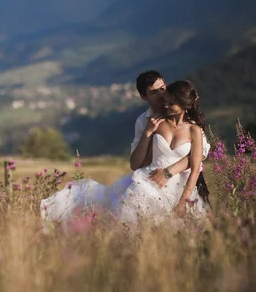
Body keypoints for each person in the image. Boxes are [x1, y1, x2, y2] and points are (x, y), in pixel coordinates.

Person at [40, 78, 211, 228]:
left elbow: (196, 166)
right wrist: (148, 133)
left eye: (170, 102)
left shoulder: (194, 129)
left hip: (180, 185)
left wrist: (183, 200)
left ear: (183, 105)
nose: (165, 104)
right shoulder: (155, 122)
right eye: (163, 99)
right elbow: (142, 161)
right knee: (131, 222)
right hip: (150, 182)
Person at [129, 70, 211, 206]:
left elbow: (201, 154)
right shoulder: (143, 121)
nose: (161, 95)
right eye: (154, 92)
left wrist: (168, 172)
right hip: (155, 184)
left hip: (189, 181)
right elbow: (136, 164)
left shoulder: (189, 119)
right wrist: (147, 132)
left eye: (162, 89)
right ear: (144, 97)